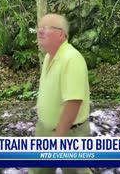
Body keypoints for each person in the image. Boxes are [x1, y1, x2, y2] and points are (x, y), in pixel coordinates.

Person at [29, 14, 92, 174]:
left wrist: (58, 140)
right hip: (44, 131)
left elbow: (73, 102)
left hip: (69, 135)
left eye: (46, 28)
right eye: (39, 27)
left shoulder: (71, 58)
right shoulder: (49, 57)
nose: (40, 31)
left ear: (61, 34)